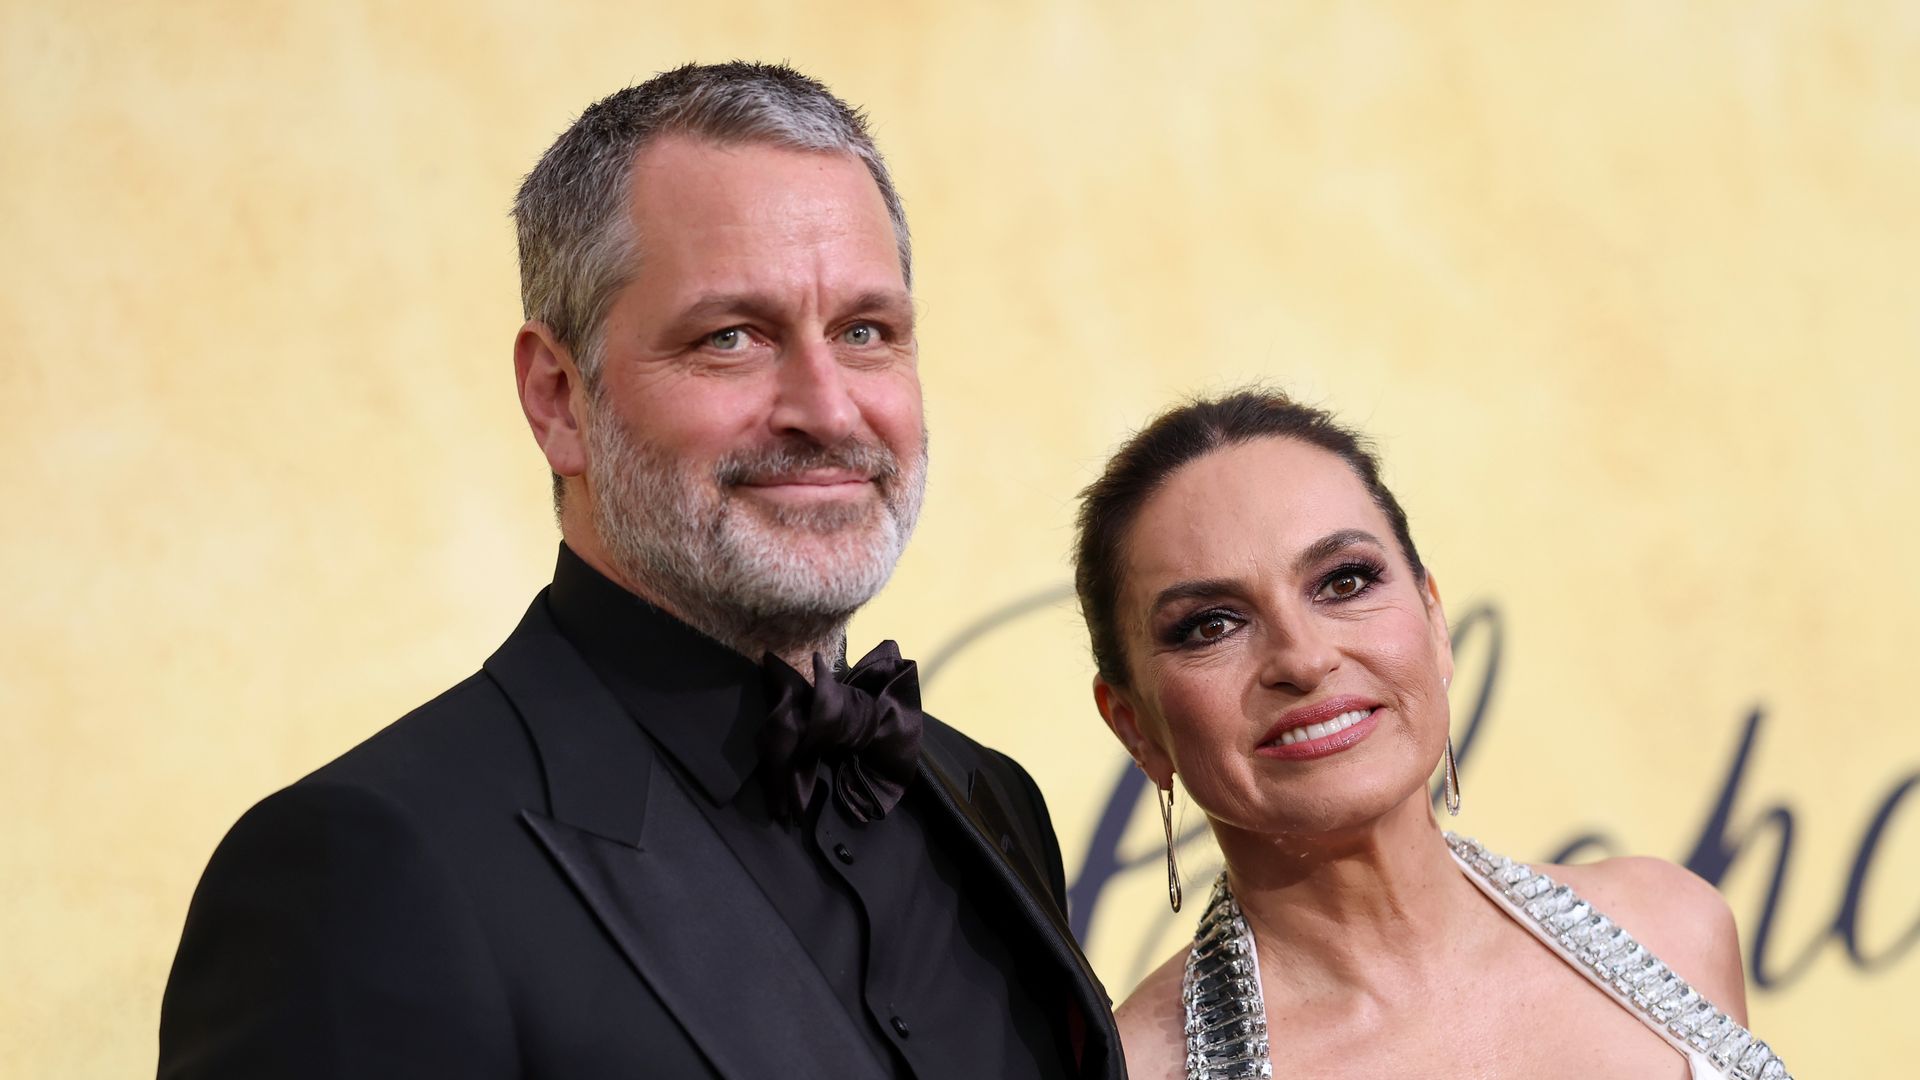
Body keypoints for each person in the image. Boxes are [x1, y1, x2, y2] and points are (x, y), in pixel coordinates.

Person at [159, 62, 1120, 1080]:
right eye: (732, 338)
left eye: (866, 332)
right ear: (559, 399)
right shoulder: (363, 868)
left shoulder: (988, 803)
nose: (829, 410)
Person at [1073, 389, 1791, 1079]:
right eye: (1212, 625)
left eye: (1344, 582)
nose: (1304, 657)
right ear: (1136, 728)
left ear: (1434, 620)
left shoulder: (1674, 928)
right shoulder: (1137, 1069)